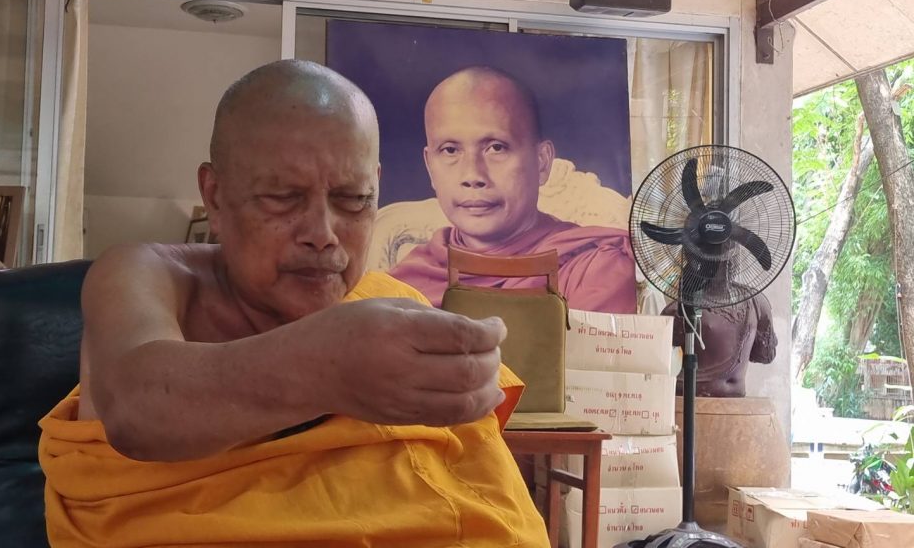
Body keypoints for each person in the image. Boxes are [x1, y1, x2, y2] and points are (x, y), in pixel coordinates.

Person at [38, 60, 549, 547]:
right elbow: (136, 408)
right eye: (282, 197)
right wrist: (329, 367)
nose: (323, 234)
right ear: (214, 195)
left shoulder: (391, 302)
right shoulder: (149, 275)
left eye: (353, 199)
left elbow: (473, 506)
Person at [389, 66, 636, 312]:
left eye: (496, 148)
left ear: (542, 162)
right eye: (450, 150)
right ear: (430, 167)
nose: (473, 176)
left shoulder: (594, 269)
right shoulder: (408, 280)